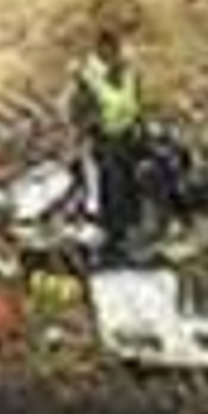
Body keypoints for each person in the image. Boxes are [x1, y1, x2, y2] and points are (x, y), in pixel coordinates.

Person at [68, 25, 145, 263]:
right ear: (100, 51)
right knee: (110, 190)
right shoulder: (89, 77)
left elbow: (136, 100)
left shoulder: (128, 72)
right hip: (104, 141)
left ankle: (128, 230)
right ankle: (112, 239)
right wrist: (89, 129)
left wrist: (140, 126)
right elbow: (79, 110)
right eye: (108, 50)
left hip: (127, 137)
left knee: (129, 186)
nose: (113, 54)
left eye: (115, 49)